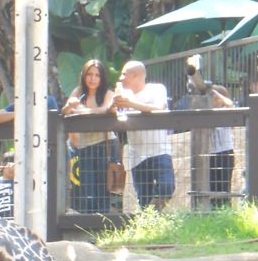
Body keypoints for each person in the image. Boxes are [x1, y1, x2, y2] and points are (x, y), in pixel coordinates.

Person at [110, 60, 174, 210]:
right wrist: (114, 102)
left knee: (167, 187)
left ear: (135, 75)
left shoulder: (156, 89)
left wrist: (131, 104)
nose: (121, 78)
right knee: (144, 200)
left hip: (160, 151)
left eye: (124, 74)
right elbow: (115, 114)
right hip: (137, 156)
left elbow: (160, 107)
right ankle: (150, 219)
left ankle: (151, 216)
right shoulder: (123, 94)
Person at [62, 59, 117, 212]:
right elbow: (64, 112)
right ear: (84, 76)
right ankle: (88, 222)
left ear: (102, 77)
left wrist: (79, 111)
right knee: (87, 191)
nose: (93, 79)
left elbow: (105, 109)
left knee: (103, 190)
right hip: (84, 146)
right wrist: (70, 106)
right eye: (89, 74)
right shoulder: (77, 92)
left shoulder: (108, 93)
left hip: (105, 145)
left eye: (97, 75)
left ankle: (102, 223)